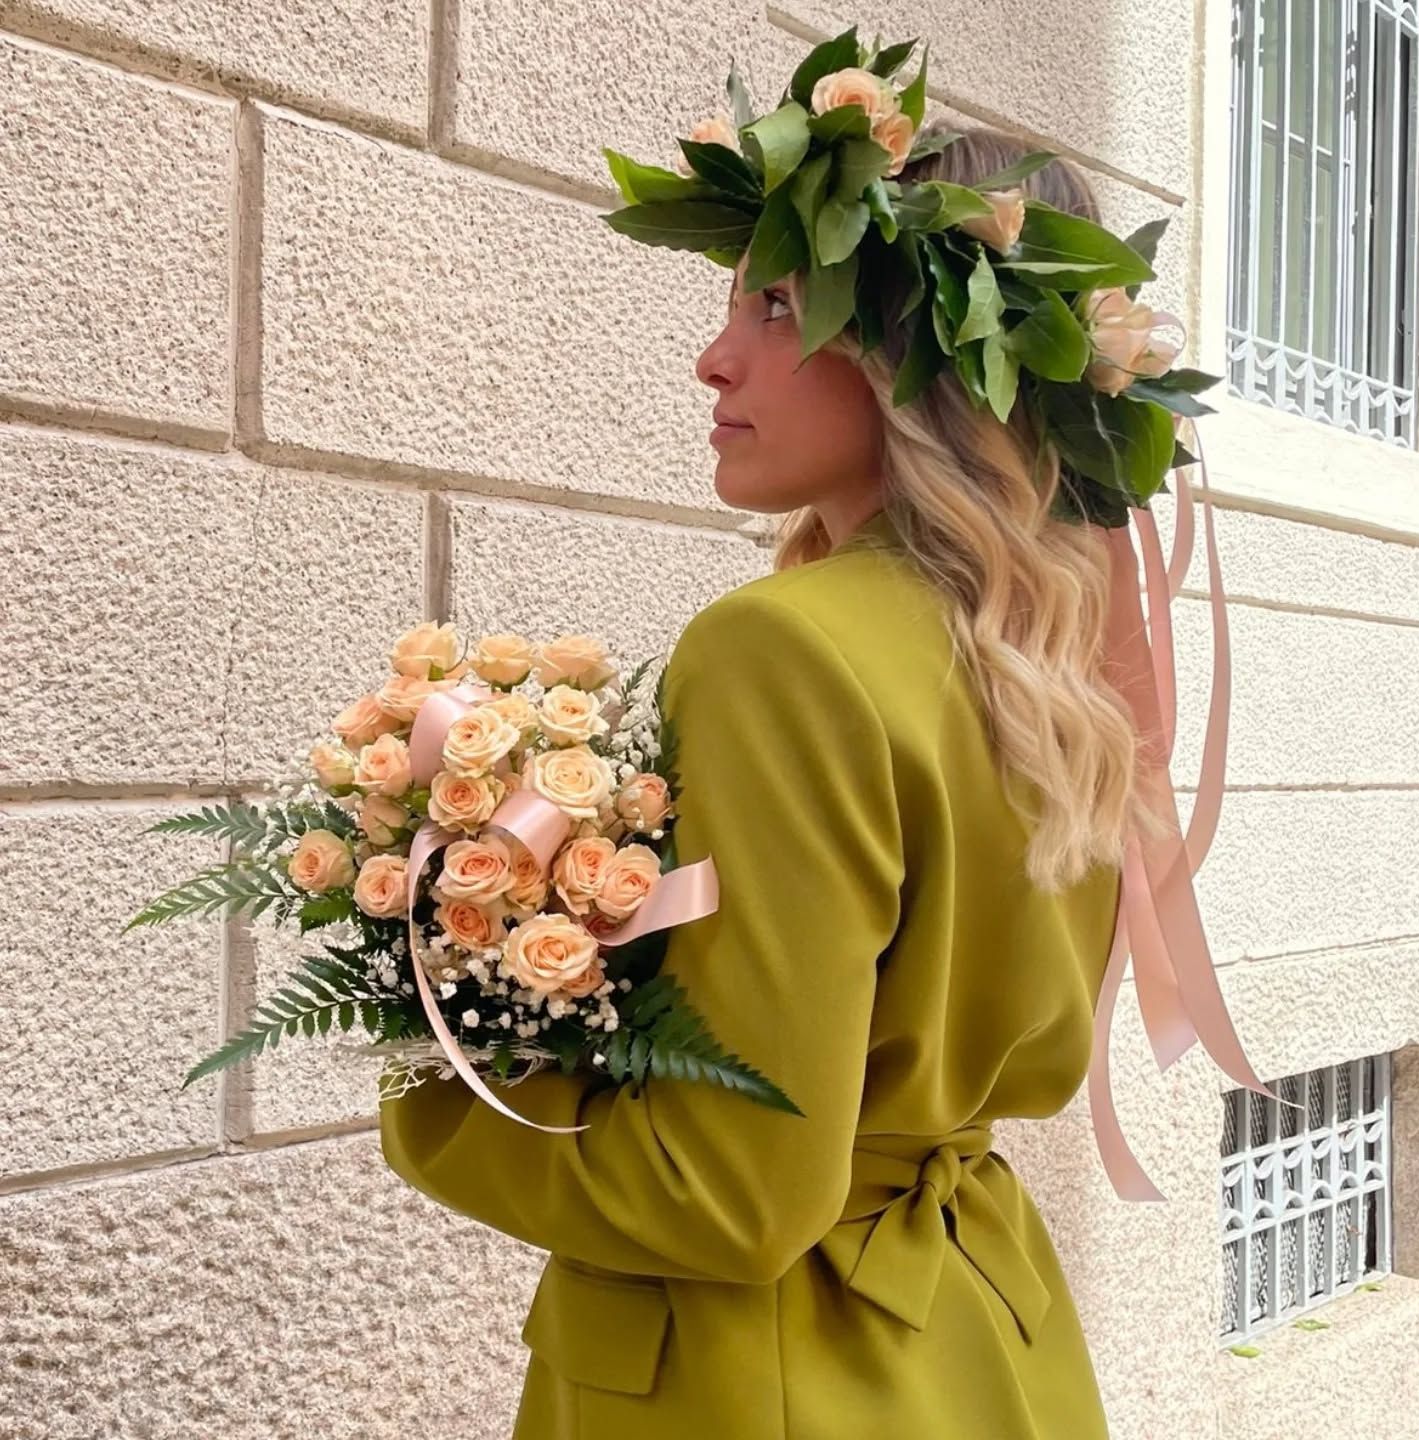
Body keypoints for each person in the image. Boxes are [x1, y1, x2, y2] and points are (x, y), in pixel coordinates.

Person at [378, 104, 1184, 1438]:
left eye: (771, 305)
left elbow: (730, 1188)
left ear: (900, 350)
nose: (713, 359)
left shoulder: (781, 653)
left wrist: (441, 1071)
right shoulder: (1056, 665)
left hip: (764, 1382)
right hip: (980, 1339)